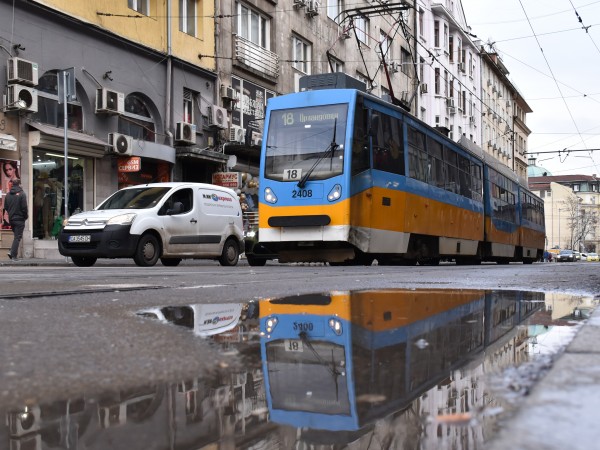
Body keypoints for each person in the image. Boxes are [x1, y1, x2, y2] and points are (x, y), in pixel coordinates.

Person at [5, 178, 28, 261]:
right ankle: (13, 254)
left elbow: (6, 207)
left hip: (12, 219)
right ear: (19, 184)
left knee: (16, 236)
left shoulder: (8, 195)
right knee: (18, 237)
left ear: (12, 184)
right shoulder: (22, 194)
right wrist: (25, 216)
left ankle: (12, 252)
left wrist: (11, 213)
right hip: (20, 219)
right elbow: (24, 207)